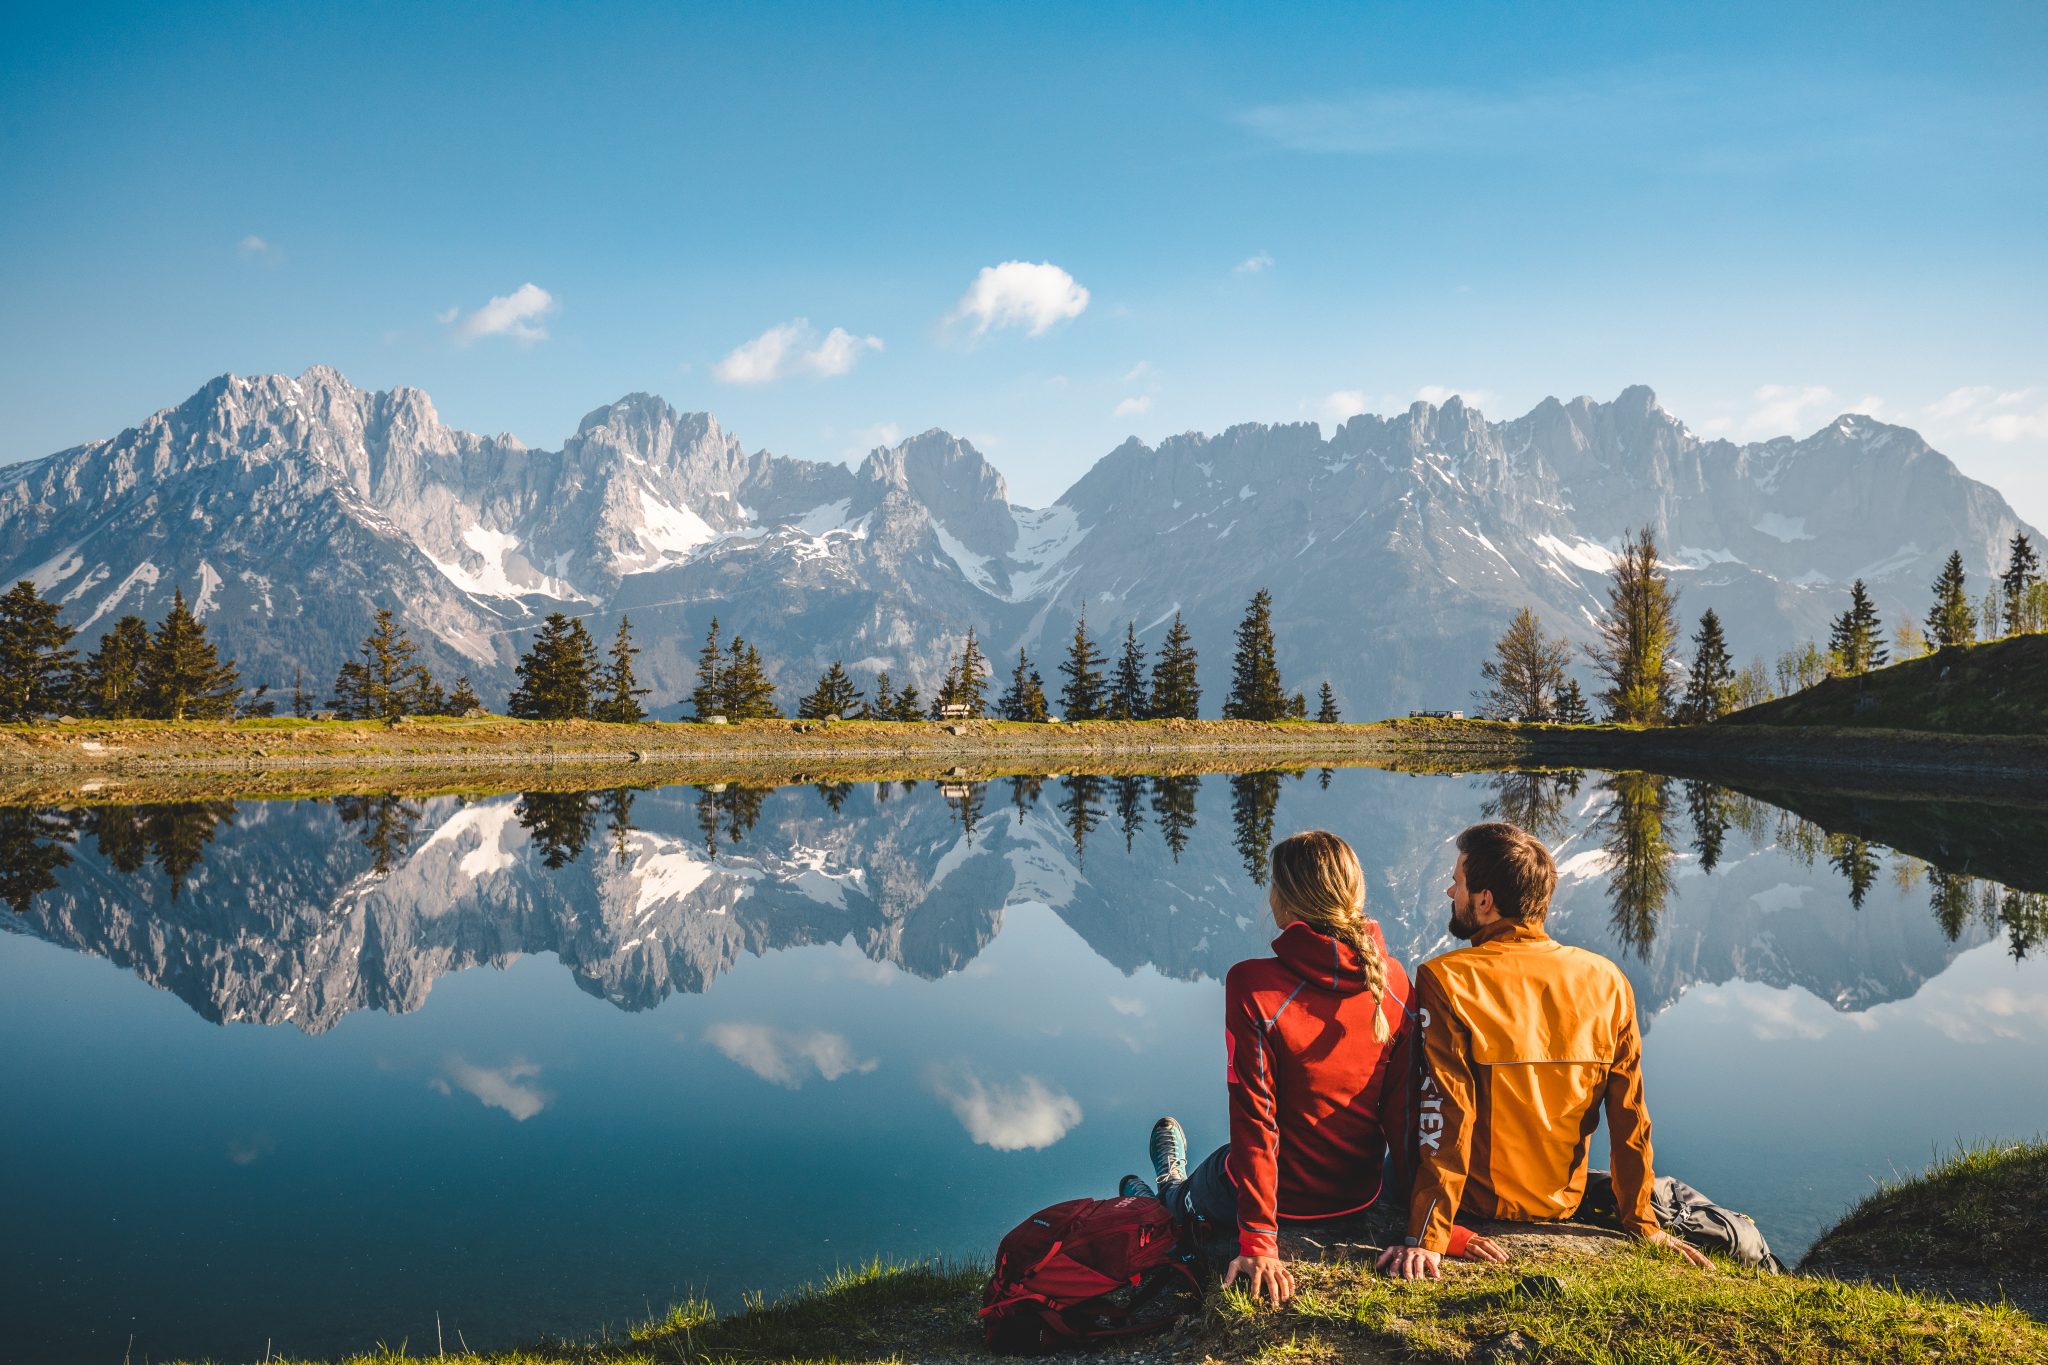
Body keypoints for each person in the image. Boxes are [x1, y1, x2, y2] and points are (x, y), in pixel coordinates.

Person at [1130, 830, 1505, 1307]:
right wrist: (1435, 1227)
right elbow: (1405, 1120)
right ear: (1356, 895)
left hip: (1282, 1201)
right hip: (1360, 1193)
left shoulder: (1252, 986)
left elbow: (1256, 1124)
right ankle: (1169, 1182)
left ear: (1284, 900)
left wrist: (1260, 1242)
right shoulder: (1391, 979)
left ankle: (1164, 1187)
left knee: (1184, 1200)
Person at [1377, 821, 1714, 1279]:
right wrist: (1641, 1222)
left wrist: (1428, 1235)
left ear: (1484, 901)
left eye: (1457, 880)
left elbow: (1445, 1112)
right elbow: (1629, 1115)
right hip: (1561, 1203)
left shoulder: (1449, 979)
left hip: (1479, 1203)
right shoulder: (1607, 980)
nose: (1448, 890)